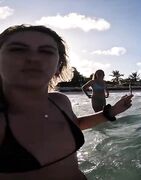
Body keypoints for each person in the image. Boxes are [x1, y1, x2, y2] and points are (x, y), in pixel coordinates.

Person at [0, 24, 133, 180]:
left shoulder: (60, 101)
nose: (33, 58)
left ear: (58, 67)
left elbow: (74, 125)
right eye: (18, 49)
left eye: (46, 51)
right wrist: (90, 96)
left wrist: (112, 111)